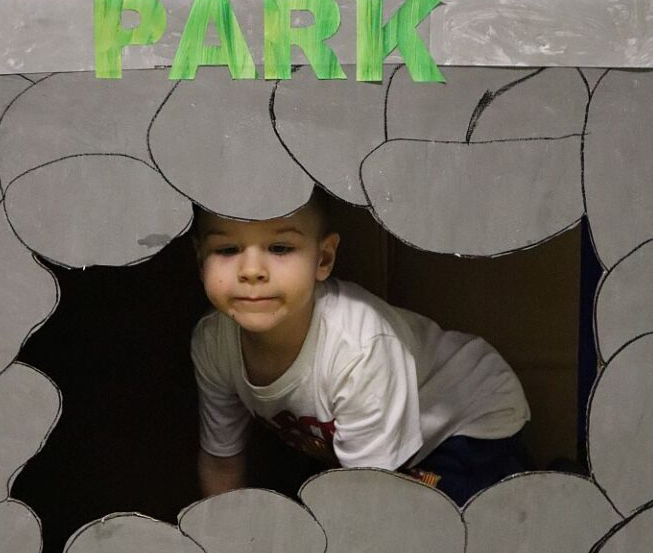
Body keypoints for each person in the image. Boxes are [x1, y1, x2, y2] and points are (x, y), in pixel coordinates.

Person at [190, 189, 531, 505]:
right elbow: (221, 462)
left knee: (441, 527)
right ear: (200, 259)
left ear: (323, 259)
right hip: (372, 444)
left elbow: (371, 504)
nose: (251, 271)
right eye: (227, 250)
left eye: (280, 248)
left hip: (466, 417)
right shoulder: (213, 342)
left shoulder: (358, 348)